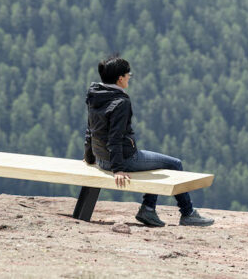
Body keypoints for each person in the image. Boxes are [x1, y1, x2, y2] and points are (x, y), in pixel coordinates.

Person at [83, 55, 214, 227]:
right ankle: (186, 213)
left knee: (154, 163)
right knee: (174, 164)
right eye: (128, 74)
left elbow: (91, 129)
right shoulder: (121, 102)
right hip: (122, 160)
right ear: (120, 78)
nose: (130, 76)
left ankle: (149, 209)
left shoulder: (95, 94)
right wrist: (118, 169)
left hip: (101, 159)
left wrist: (90, 156)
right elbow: (115, 137)